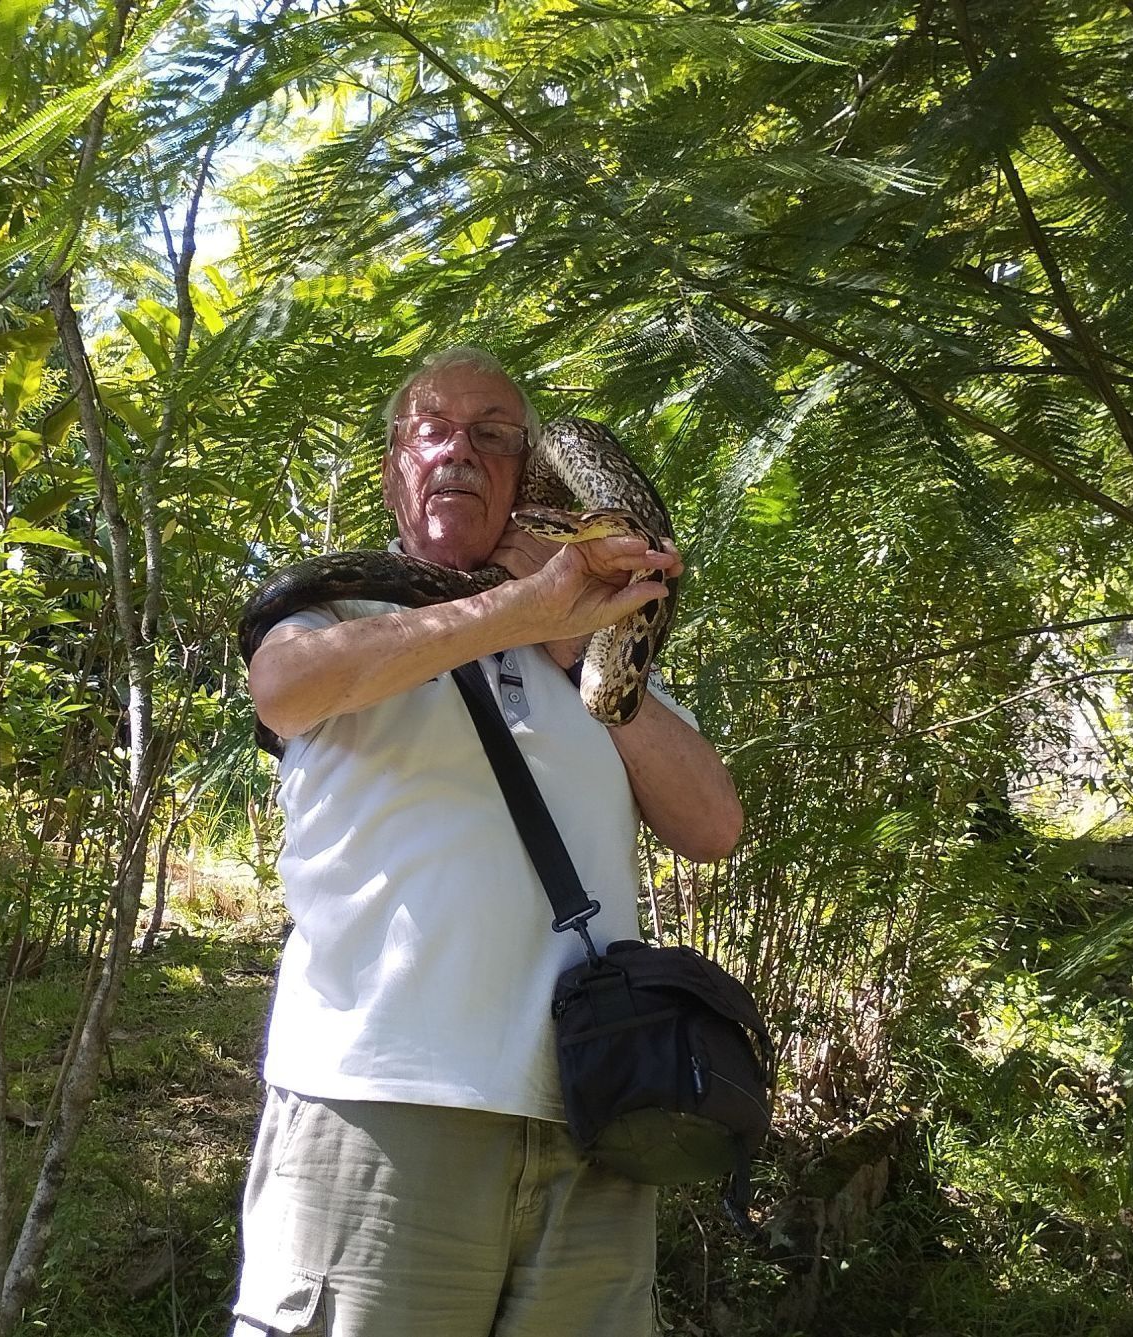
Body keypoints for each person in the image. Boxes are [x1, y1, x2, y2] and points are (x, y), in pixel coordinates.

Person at [234, 347, 743, 1336]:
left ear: (528, 478)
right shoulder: (338, 609)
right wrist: (516, 607)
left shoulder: (588, 645)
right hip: (379, 1098)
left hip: (592, 1113)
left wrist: (573, 642)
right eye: (431, 430)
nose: (458, 451)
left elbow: (712, 823)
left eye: (493, 434)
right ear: (395, 465)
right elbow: (284, 688)